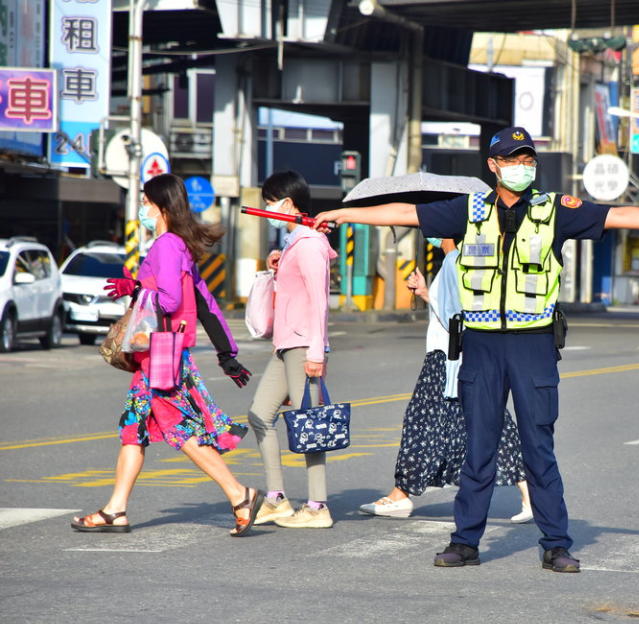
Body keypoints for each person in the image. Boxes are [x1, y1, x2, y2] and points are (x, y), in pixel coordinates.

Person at [313, 126, 639, 573]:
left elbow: (618, 216)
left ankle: (556, 545)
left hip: (533, 346)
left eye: (528, 159)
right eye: (512, 159)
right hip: (481, 344)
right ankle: (464, 543)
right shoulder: (467, 210)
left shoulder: (555, 210)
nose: (522, 167)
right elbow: (406, 212)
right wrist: (344, 213)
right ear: (493, 166)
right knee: (480, 449)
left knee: (539, 448)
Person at [71, 173, 258, 536]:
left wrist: (137, 287)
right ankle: (116, 509)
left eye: (144, 202)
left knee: (179, 431)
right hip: (155, 358)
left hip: (162, 357)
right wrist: (226, 354)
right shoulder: (179, 247)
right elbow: (204, 303)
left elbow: (170, 300)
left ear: (159, 206)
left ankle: (240, 494)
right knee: (133, 429)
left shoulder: (167, 246)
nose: (141, 208)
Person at [359, 238, 532, 523]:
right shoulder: (463, 260)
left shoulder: (454, 262)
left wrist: (431, 297)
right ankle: (531, 494)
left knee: (421, 423)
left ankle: (400, 495)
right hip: (460, 357)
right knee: (490, 423)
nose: (431, 234)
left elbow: (455, 318)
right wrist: (426, 293)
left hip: (446, 359)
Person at [248, 170, 339, 529]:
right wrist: (277, 264)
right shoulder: (295, 244)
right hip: (285, 345)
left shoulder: (310, 244)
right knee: (259, 414)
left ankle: (317, 506)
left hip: (304, 346)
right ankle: (277, 499)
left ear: (287, 203)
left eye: (271, 202)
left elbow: (320, 302)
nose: (267, 208)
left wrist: (317, 352)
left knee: (310, 426)